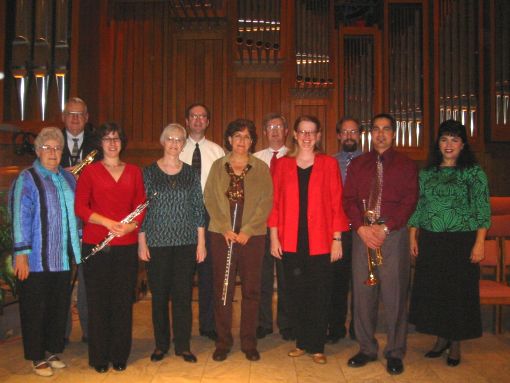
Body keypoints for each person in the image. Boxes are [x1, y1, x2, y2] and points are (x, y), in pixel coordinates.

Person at [408, 120, 490, 367]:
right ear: (438, 144)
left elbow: (482, 210)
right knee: (436, 291)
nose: (449, 145)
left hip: (461, 241)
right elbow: (419, 207)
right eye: (444, 139)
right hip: (432, 240)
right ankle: (441, 338)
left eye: (454, 139)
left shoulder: (474, 173)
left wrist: (479, 243)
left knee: (458, 293)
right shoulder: (427, 174)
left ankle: (455, 343)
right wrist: (413, 236)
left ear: (463, 144)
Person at [268, 115, 349, 364]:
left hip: (321, 241)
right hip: (291, 239)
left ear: (319, 136)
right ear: (294, 134)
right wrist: (274, 237)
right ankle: (302, 342)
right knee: (296, 293)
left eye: (311, 132)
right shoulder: (282, 165)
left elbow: (337, 203)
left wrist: (337, 238)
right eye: (302, 132)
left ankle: (317, 345)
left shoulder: (328, 164)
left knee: (319, 293)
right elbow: (275, 204)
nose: (306, 137)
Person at [343, 113, 418, 375]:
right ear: (370, 134)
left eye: (386, 129)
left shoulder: (406, 164)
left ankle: (395, 351)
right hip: (362, 234)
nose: (381, 134)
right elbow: (349, 199)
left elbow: (410, 200)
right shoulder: (358, 164)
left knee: (395, 295)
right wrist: (361, 228)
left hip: (392, 234)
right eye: (376, 129)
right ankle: (366, 348)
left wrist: (386, 228)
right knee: (363, 295)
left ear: (394, 134)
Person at [10, 127, 82, 377]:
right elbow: (20, 216)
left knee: (57, 306)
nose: (53, 152)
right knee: (34, 308)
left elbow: (77, 213)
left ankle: (52, 350)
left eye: (57, 148)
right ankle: (36, 355)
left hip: (61, 257)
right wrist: (21, 254)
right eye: (47, 147)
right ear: (38, 150)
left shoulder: (68, 178)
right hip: (36, 259)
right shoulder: (27, 178)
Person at [75, 122, 146, 373]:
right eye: (107, 139)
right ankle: (99, 357)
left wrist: (130, 226)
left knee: (121, 302)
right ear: (100, 143)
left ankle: (119, 354)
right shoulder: (90, 172)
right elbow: (81, 208)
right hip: (96, 245)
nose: (112, 143)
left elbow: (141, 204)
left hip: (125, 245)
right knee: (98, 302)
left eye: (116, 138)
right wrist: (107, 223)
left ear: (122, 142)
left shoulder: (134, 171)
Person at [204, 119, 273, 362]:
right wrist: (224, 227)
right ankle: (223, 341)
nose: (241, 141)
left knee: (252, 290)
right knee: (223, 289)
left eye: (246, 137)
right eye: (237, 136)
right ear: (229, 139)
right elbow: (210, 198)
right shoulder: (217, 166)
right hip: (221, 234)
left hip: (251, 237)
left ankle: (248, 341)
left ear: (252, 141)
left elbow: (266, 201)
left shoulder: (261, 168)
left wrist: (249, 229)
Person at [138, 123, 206, 364]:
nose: (174, 143)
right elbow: (141, 210)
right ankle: (161, 345)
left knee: (183, 296)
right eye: (170, 138)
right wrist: (141, 241)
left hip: (186, 243)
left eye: (179, 139)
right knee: (159, 297)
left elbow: (198, 208)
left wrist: (201, 242)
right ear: (162, 141)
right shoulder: (148, 173)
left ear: (183, 143)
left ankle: (183, 346)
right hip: (157, 242)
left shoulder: (190, 173)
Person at [180, 103, 225, 341]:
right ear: (187, 121)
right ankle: (182, 326)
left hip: (209, 217)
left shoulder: (217, 151)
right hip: (181, 217)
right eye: (193, 116)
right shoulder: (176, 147)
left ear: (208, 122)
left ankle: (208, 324)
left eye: (203, 116)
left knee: (208, 274)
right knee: (183, 275)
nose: (198, 120)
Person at [253, 112, 293, 341]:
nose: (275, 131)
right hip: (260, 226)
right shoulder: (255, 159)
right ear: (265, 132)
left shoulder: (296, 157)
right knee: (262, 276)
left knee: (287, 277)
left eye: (279, 126)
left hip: (286, 226)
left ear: (287, 131)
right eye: (271, 127)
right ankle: (263, 323)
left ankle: (287, 323)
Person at [60, 97, 95, 345]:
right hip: (58, 221)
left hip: (89, 221)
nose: (74, 119)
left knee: (87, 279)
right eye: (70, 114)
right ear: (63, 117)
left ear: (87, 117)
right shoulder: (51, 141)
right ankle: (59, 333)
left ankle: (89, 331)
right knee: (61, 276)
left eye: (79, 114)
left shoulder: (97, 145)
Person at [328, 117, 363, 343]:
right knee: (337, 282)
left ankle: (359, 328)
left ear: (359, 135)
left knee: (360, 282)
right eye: (345, 132)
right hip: (338, 231)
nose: (349, 135)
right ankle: (336, 327)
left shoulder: (369, 161)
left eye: (353, 131)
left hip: (362, 230)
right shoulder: (330, 162)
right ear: (339, 135)